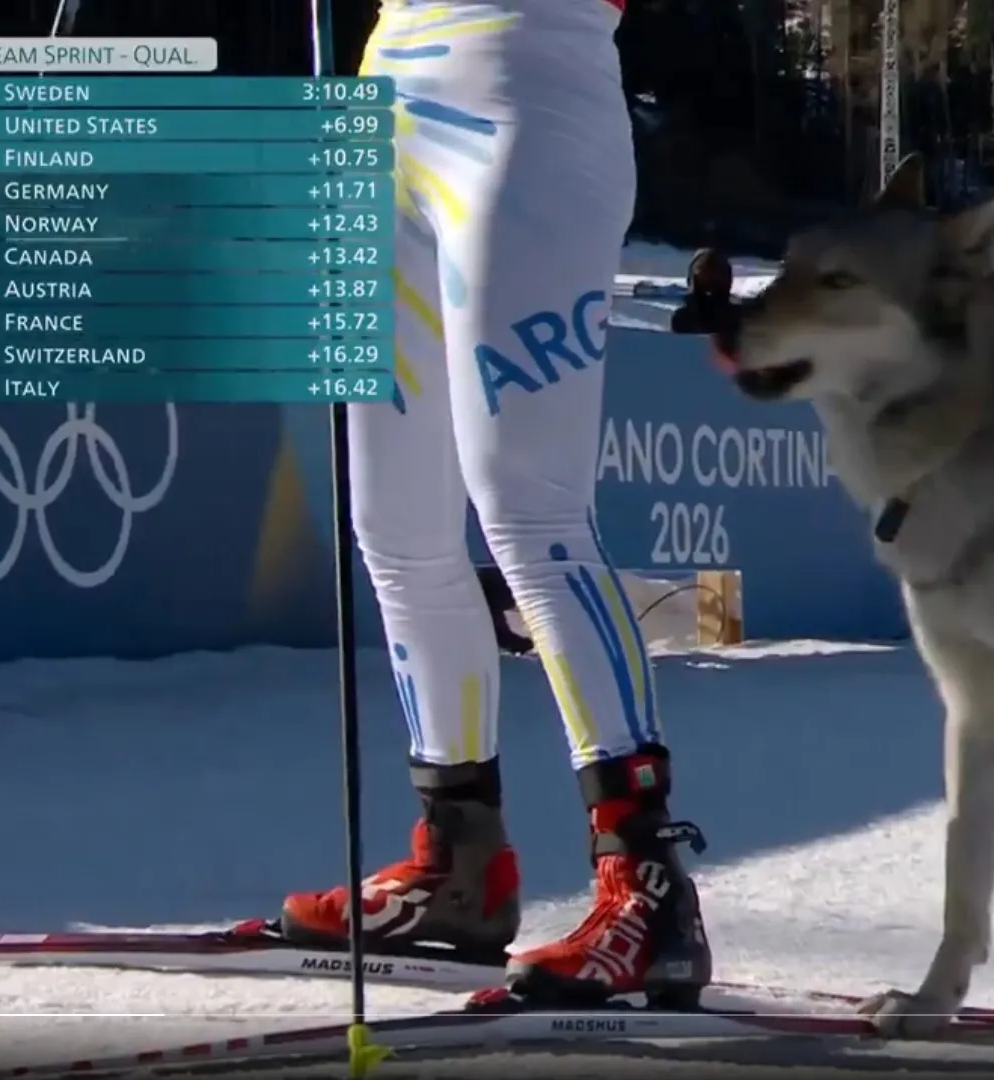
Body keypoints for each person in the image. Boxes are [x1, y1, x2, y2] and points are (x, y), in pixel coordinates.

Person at [277, 0, 713, 1008]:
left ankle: (643, 881)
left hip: (525, 77)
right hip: (389, 90)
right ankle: (458, 862)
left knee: (530, 509)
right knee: (394, 524)